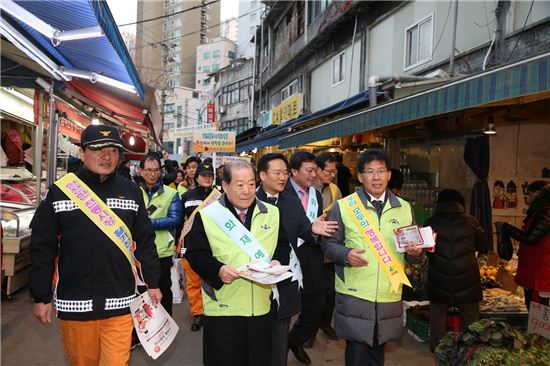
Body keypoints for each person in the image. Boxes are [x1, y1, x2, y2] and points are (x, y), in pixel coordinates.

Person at [29, 124, 162, 366]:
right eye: (97, 149)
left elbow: (145, 241)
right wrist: (41, 296)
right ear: (81, 153)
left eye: (112, 150)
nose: (106, 156)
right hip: (76, 303)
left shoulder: (131, 191)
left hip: (120, 302)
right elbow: (42, 247)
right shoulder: (60, 192)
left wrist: (153, 282)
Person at [323, 148, 422, 366]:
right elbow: (328, 245)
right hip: (355, 292)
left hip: (389, 292)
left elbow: (413, 253)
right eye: (369, 172)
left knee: (379, 352)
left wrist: (416, 253)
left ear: (389, 175)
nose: (376, 177)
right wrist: (346, 254)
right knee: (357, 353)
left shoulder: (404, 208)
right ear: (360, 176)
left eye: (381, 171)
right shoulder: (344, 206)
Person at [186, 160, 289, 366]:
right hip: (224, 308)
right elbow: (195, 254)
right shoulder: (208, 216)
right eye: (240, 185)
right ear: (225, 186)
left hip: (260, 307)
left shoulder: (272, 213)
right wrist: (218, 270)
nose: (247, 191)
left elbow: (283, 245)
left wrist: (278, 261)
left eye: (251, 184)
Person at [256, 153, 338, 366]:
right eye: (277, 173)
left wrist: (313, 229)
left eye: (284, 173)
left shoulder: (292, 203)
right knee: (256, 336)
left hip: (285, 276)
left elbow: (304, 227)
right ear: (262, 175)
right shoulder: (249, 200)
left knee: (280, 331)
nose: (282, 178)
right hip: (254, 280)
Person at [424, 189, 486, 351]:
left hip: (439, 276)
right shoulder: (472, 222)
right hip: (468, 278)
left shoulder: (431, 222)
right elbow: (483, 246)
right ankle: (469, 349)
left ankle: (438, 349)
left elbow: (427, 250)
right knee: (470, 315)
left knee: (438, 314)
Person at [284, 151, 326, 364]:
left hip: (310, 253)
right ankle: (277, 349)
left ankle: (295, 339)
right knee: (284, 305)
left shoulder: (316, 194)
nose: (313, 174)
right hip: (287, 253)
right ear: (293, 171)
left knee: (317, 303)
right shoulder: (281, 191)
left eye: (315, 170)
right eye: (308, 170)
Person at [139, 152, 182, 315]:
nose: (152, 174)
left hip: (162, 251)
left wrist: (146, 223)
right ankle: (143, 333)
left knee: (164, 291)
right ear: (141, 171)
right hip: (138, 251)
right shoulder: (133, 191)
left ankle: (165, 328)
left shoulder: (171, 194)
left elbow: (174, 220)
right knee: (141, 293)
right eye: (149, 170)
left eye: (156, 170)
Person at [496, 181, 550, 308]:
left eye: (530, 195)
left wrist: (507, 228)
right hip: (535, 272)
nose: (528, 199)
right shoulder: (540, 212)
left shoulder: (546, 212)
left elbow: (530, 238)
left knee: (539, 314)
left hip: (541, 274)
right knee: (535, 312)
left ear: (539, 194)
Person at [179, 164, 218, 331]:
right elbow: (181, 221)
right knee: (193, 283)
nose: (207, 178)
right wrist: (178, 243)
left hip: (214, 246)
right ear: (196, 177)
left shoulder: (220, 196)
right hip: (191, 246)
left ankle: (213, 312)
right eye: (204, 175)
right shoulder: (186, 196)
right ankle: (197, 314)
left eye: (210, 175)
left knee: (213, 280)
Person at [312, 153, 342, 345]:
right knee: (315, 295)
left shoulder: (334, 190)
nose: (332, 175)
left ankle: (325, 323)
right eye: (328, 171)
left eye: (334, 171)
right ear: (318, 170)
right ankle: (309, 330)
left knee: (331, 292)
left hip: (329, 249)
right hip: (311, 248)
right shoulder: (307, 189)